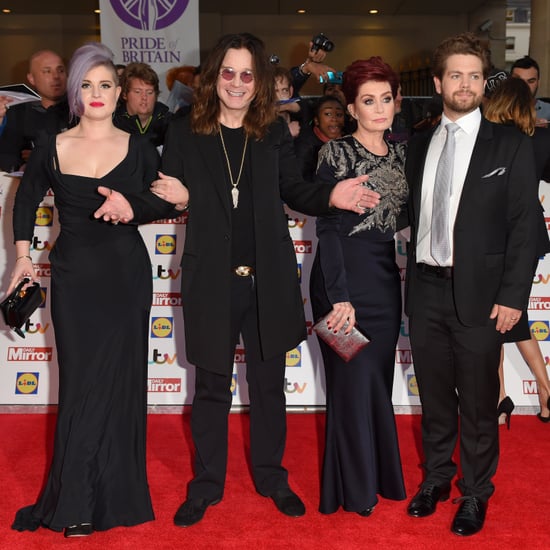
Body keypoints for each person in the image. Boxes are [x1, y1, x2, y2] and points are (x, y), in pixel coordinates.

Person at [92, 32, 379, 528]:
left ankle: (271, 477)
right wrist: (135, 206)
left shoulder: (272, 132)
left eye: (248, 74)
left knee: (269, 387)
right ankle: (206, 485)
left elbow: (295, 190)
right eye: (229, 72)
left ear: (259, 82)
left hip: (267, 280)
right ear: (213, 77)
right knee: (211, 389)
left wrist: (330, 197)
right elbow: (167, 195)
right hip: (210, 280)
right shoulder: (185, 132)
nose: (238, 83)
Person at [8, 42, 175, 537]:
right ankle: (75, 496)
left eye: (106, 85)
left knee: (121, 386)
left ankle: (113, 496)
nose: (97, 93)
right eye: (87, 84)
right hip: (76, 278)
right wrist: (22, 258)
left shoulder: (139, 147)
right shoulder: (52, 144)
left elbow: (163, 201)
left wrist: (140, 205)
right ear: (75, 91)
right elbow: (24, 202)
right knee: (81, 385)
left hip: (126, 277)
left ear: (120, 92)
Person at [404, 33, 539, 536]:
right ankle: (437, 477)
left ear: (485, 83)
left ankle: (476, 492)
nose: (465, 85)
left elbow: (526, 227)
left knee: (480, 405)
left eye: (475, 76)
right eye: (455, 75)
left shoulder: (511, 143)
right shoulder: (419, 142)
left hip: (483, 298)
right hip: (425, 289)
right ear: (438, 82)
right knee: (435, 398)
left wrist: (512, 298)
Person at [309, 56, 408, 517]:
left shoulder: (405, 155)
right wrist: (338, 295)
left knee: (376, 384)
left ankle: (381, 479)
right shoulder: (335, 154)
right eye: (368, 101)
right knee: (349, 386)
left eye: (386, 99)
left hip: (385, 284)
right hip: (340, 284)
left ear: (397, 102)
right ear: (352, 108)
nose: (379, 108)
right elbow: (326, 230)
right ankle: (354, 489)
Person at [483, 76, 550, 424]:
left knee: (498, 318)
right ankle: (534, 393)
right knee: (508, 317)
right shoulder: (537, 138)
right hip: (526, 239)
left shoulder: (486, 139)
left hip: (498, 240)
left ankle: (505, 397)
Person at [0, 49, 71, 172]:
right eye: (47, 71)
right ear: (31, 79)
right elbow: (7, 155)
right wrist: (22, 167)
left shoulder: (80, 111)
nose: (56, 76)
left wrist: (45, 155)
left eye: (60, 70)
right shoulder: (16, 112)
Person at [114, 62, 171, 147]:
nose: (144, 97)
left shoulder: (171, 123)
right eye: (137, 92)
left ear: (156, 95)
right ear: (125, 94)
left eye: (149, 92)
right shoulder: (113, 124)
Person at [294, 95, 345, 181]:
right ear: (316, 120)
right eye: (328, 114)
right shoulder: (305, 146)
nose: (334, 119)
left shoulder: (349, 142)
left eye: (339, 114)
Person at [510, 55, 550, 127]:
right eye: (520, 81)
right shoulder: (499, 111)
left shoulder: (548, 111)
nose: (525, 86)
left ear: (538, 82)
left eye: (531, 81)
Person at [274, 65, 301, 138]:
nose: (280, 96)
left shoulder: (300, 120)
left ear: (291, 92)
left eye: (284, 90)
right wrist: (287, 134)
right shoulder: (260, 126)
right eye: (275, 91)